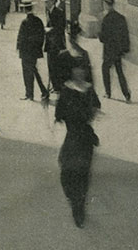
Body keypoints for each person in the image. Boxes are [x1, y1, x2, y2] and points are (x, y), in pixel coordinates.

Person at [55, 61, 100, 228]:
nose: (79, 72)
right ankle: (74, 199)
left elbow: (95, 107)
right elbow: (59, 112)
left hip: (83, 136)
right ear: (72, 71)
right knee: (66, 168)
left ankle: (78, 206)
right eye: (76, 69)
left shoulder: (88, 89)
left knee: (81, 171)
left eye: (82, 69)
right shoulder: (67, 88)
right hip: (73, 134)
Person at [99, 0, 131, 102]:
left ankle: (108, 92)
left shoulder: (106, 19)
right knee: (119, 71)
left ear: (106, 4)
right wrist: (125, 48)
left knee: (105, 69)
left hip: (108, 50)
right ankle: (126, 94)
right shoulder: (121, 18)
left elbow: (102, 38)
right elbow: (125, 34)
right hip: (118, 50)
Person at [16, 0, 49, 101]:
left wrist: (18, 48)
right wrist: (38, 47)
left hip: (26, 52)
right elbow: (41, 36)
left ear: (25, 9)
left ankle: (30, 93)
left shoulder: (25, 22)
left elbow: (20, 38)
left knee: (27, 73)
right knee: (34, 70)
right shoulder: (38, 20)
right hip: (34, 51)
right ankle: (41, 91)